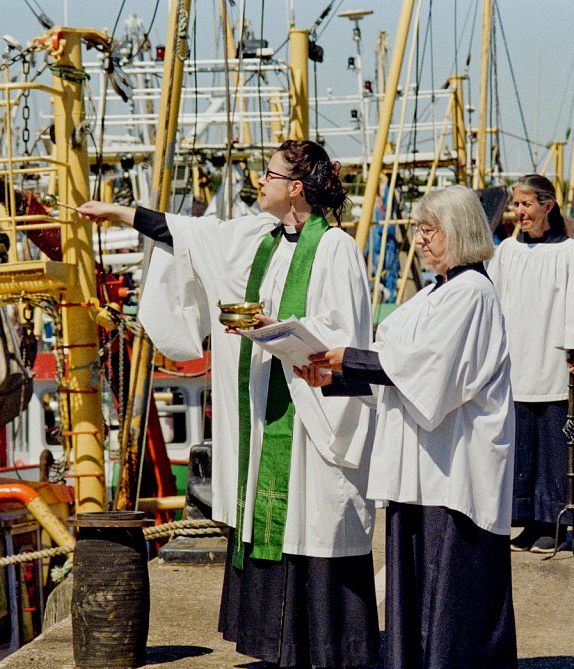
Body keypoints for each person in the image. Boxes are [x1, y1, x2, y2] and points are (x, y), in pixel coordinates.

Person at [78, 140, 380, 668]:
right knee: (278, 527)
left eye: (269, 174)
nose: (258, 181)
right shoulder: (257, 238)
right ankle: (281, 648)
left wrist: (281, 332)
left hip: (312, 416)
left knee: (315, 520)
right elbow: (188, 235)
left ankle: (331, 649)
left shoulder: (335, 249)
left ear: (296, 188)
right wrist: (118, 213)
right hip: (268, 416)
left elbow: (346, 335)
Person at [296, 185, 518, 669]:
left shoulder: (472, 294)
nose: (419, 240)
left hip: (455, 466)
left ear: (457, 232)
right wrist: (334, 374)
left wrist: (349, 360)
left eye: (428, 230)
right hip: (421, 464)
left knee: (452, 581)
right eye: (418, 229)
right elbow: (394, 365)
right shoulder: (435, 294)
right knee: (416, 581)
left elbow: (429, 370)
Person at [487, 174, 574, 553]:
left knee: (556, 448)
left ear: (547, 206)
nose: (519, 212)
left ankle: (553, 524)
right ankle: (526, 520)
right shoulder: (507, 251)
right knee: (522, 445)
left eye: (526, 205)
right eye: (516, 205)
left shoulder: (570, 252)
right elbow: (491, 300)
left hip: (555, 365)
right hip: (517, 364)